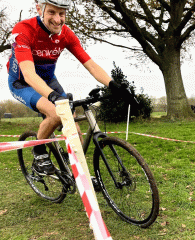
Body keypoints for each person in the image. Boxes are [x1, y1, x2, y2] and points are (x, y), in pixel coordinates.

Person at [7, 0, 131, 175]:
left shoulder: (66, 34)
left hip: (49, 81)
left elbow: (91, 65)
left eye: (62, 14)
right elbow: (29, 74)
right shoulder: (24, 29)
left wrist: (114, 85)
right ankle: (39, 154)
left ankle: (78, 172)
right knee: (56, 113)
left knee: (72, 123)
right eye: (52, 13)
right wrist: (53, 97)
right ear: (39, 9)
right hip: (22, 83)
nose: (58, 20)